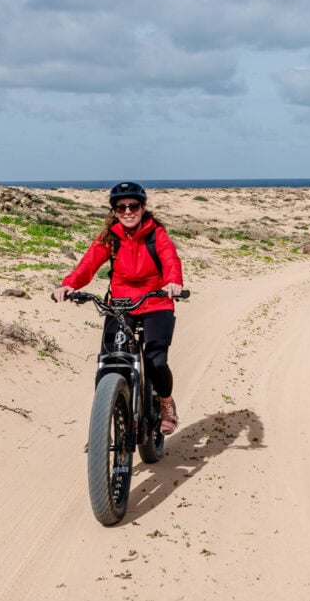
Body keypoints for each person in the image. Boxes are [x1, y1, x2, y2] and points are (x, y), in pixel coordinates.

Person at [52, 182, 185, 435]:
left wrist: (173, 282)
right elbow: (88, 264)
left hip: (156, 301)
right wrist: (69, 285)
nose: (127, 211)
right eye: (120, 207)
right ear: (114, 210)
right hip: (121, 304)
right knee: (108, 363)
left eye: (133, 206)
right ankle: (103, 429)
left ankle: (166, 404)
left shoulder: (157, 234)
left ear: (143, 207)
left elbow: (170, 259)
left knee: (155, 361)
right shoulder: (110, 237)